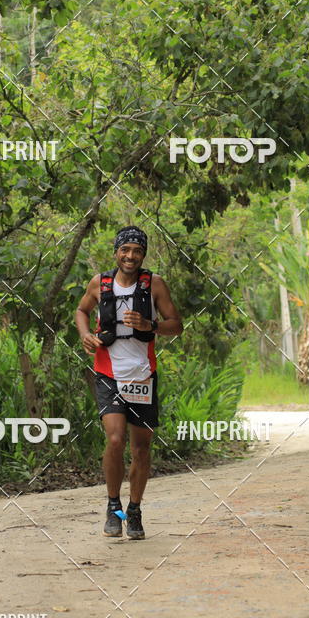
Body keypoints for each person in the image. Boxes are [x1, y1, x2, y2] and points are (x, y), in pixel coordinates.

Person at [75, 226, 183, 540]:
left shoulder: (155, 284)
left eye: (137, 250)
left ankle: (133, 510)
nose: (130, 256)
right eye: (125, 250)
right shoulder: (100, 282)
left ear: (143, 254)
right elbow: (81, 310)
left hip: (143, 374)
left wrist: (152, 325)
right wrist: (85, 335)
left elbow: (177, 325)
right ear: (117, 252)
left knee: (141, 449)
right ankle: (114, 507)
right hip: (108, 373)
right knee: (114, 440)